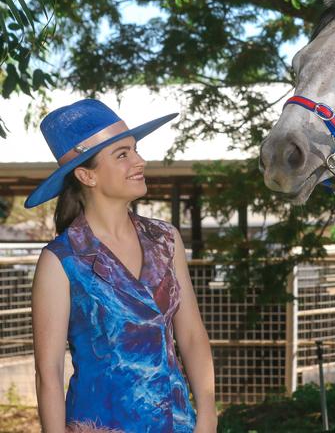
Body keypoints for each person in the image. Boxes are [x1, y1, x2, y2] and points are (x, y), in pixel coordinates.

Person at [28, 99, 217, 433]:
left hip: (179, 423)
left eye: (135, 149)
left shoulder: (166, 239)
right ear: (86, 174)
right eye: (122, 154)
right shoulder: (61, 261)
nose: (140, 161)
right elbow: (49, 372)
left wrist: (207, 415)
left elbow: (191, 335)